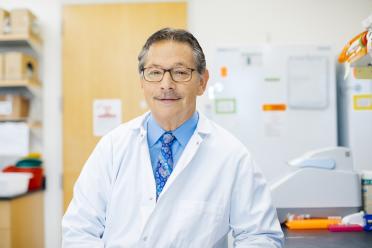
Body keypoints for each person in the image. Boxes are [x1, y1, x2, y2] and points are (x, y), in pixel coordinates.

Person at [62, 28, 284, 248]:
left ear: (202, 81)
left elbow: (260, 237)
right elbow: (80, 230)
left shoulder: (232, 156)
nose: (166, 84)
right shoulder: (112, 147)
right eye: (154, 72)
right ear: (142, 81)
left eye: (180, 72)